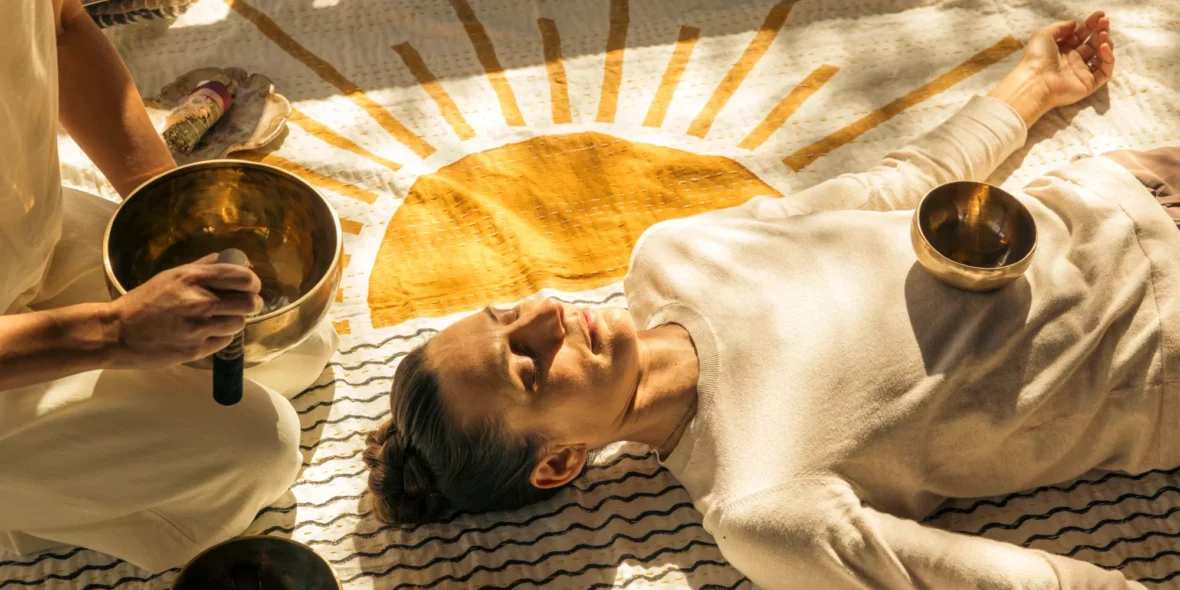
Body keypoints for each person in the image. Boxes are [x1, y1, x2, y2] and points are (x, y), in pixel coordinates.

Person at [363, 11, 1166, 589]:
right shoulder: (760, 504)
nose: (546, 314)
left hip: (1122, 186)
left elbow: (892, 189)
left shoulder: (674, 256)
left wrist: (1032, 86)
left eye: (508, 314)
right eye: (530, 367)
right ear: (561, 463)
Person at [0, 0, 338, 572]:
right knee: (257, 448)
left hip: (25, 239)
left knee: (295, 343)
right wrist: (113, 333)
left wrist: (175, 213)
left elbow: (59, 25)